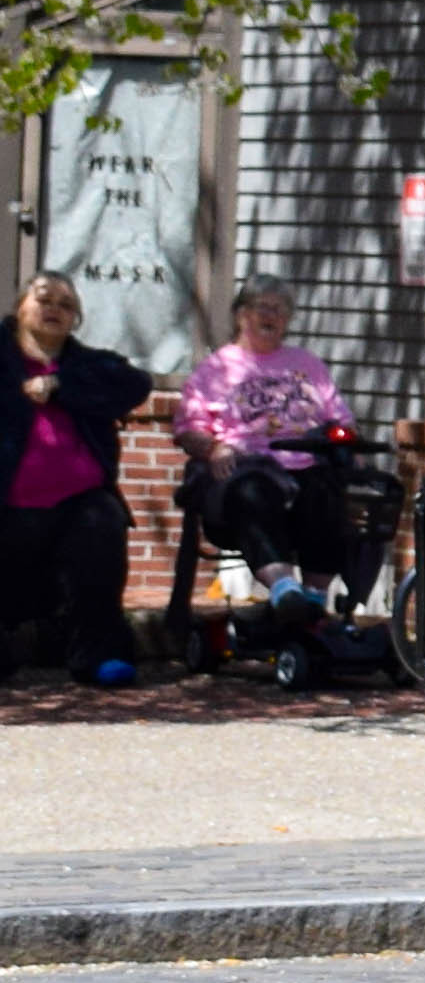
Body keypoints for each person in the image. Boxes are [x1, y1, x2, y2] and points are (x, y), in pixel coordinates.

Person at [0, 274, 152, 686]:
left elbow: (136, 384)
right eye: (44, 298)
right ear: (19, 308)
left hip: (76, 505)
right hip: (8, 506)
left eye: (66, 305)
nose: (54, 309)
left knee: (102, 519)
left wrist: (61, 386)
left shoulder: (86, 364)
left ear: (76, 319)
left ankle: (100, 655)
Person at [176, 275, 359, 618]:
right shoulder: (215, 369)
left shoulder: (308, 364)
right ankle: (285, 590)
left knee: (328, 492)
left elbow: (343, 420)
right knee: (253, 491)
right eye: (263, 307)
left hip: (306, 465)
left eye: (281, 310)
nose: (271, 315)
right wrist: (214, 448)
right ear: (241, 314)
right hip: (245, 470)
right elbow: (188, 428)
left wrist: (344, 439)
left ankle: (315, 600)